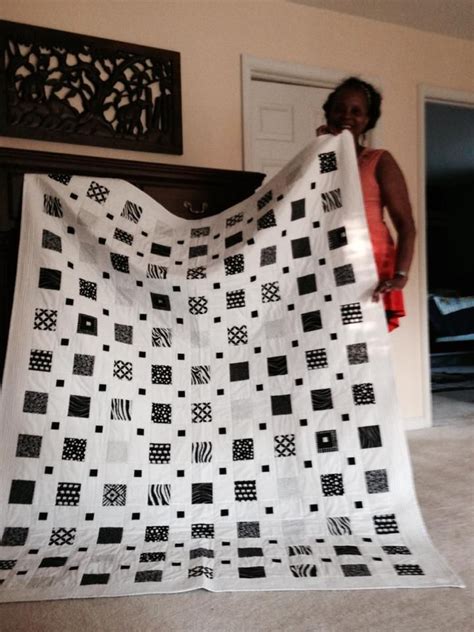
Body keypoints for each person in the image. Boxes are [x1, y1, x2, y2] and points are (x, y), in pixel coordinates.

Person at [316, 77, 416, 331]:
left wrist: (400, 277)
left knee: (364, 351)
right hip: (325, 263)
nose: (346, 116)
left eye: (356, 111)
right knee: (325, 344)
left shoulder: (380, 161)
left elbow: (406, 226)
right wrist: (320, 149)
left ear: (368, 120)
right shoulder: (315, 160)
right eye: (339, 108)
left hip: (369, 268)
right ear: (328, 113)